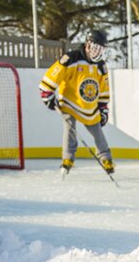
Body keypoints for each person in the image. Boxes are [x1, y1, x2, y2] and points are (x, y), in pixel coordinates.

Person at [39, 29, 114, 175]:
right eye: (96, 47)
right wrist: (47, 92)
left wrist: (103, 107)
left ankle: (106, 157)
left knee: (97, 130)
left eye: (101, 48)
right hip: (69, 102)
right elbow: (54, 74)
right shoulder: (71, 58)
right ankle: (67, 158)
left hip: (89, 105)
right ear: (88, 44)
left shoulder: (101, 66)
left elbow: (104, 88)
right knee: (69, 127)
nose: (98, 52)